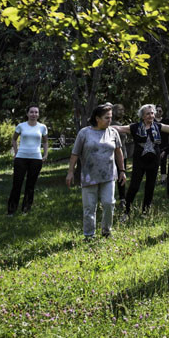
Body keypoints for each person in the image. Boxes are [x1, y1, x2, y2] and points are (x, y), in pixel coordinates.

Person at [112, 104, 169, 220]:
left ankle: (145, 211)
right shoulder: (135, 127)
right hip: (139, 162)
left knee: (150, 187)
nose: (151, 115)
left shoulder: (158, 126)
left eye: (152, 113)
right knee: (134, 186)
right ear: (142, 116)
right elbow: (120, 128)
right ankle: (126, 211)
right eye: (148, 113)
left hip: (154, 162)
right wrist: (103, 126)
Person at [66, 103, 126, 240]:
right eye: (107, 118)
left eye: (110, 117)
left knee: (109, 203)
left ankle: (106, 231)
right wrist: (70, 172)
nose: (109, 120)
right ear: (97, 118)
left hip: (109, 175)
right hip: (89, 176)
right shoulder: (84, 133)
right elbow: (75, 154)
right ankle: (89, 235)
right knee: (89, 207)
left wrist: (122, 170)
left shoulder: (113, 132)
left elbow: (118, 152)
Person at [7, 105, 49, 215]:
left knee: (30, 185)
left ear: (38, 114)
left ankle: (26, 209)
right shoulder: (21, 126)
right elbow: (14, 140)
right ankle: (11, 210)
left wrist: (45, 154)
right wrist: (16, 153)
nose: (34, 114)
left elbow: (45, 142)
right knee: (17, 184)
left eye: (36, 112)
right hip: (21, 158)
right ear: (27, 114)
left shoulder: (42, 127)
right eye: (31, 112)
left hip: (36, 159)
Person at [111, 103, 129, 211]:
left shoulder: (120, 124)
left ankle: (123, 199)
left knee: (121, 177)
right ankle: (110, 198)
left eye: (123, 110)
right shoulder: (110, 124)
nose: (122, 112)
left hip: (123, 155)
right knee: (112, 178)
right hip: (112, 156)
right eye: (119, 110)